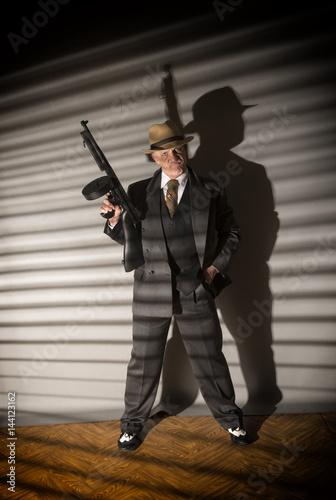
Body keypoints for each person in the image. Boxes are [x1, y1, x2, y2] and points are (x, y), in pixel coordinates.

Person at [101, 120, 250, 451]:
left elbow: (233, 230)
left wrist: (213, 270)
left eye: (178, 149)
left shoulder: (211, 189)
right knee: (143, 361)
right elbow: (129, 241)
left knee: (209, 357)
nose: (173, 157)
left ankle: (230, 419)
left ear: (186, 149)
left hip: (195, 288)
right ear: (155, 158)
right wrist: (113, 220)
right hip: (149, 290)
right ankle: (131, 425)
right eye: (165, 153)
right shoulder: (137, 192)